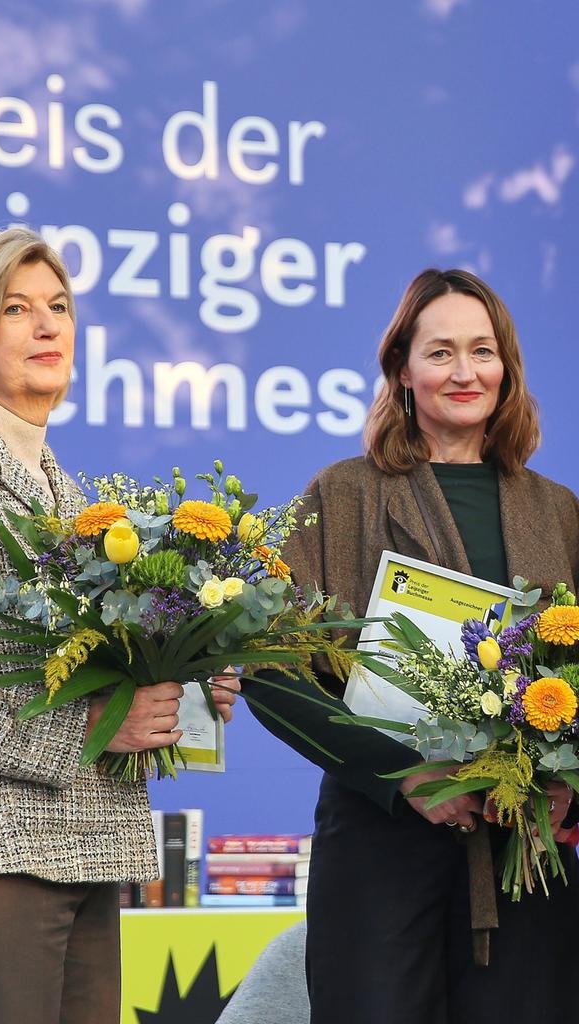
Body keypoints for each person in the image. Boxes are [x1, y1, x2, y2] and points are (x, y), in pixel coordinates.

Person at [0, 228, 237, 1024]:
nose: (48, 325)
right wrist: (86, 730)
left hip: (89, 858)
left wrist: (185, 685)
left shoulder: (73, 496)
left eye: (59, 307)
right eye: (16, 308)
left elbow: (99, 675)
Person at [244, 268, 579, 1024]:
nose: (465, 372)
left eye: (483, 351)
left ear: (507, 367)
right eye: (440, 352)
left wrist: (570, 787)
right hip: (381, 852)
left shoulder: (558, 511)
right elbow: (269, 671)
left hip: (528, 855)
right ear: (401, 369)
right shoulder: (342, 494)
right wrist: (405, 776)